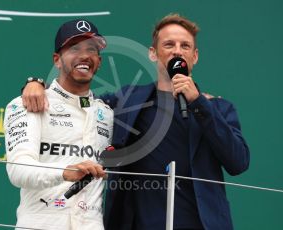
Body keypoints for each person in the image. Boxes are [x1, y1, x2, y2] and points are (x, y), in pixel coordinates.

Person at [21, 14, 250, 230]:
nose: (177, 52)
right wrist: (37, 83)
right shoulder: (127, 100)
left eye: (185, 46)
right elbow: (77, 99)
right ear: (153, 53)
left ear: (195, 56)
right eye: (169, 45)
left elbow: (238, 163)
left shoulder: (218, 108)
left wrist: (198, 103)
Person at [4, 19, 113, 230]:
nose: (84, 55)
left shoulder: (107, 113)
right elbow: (18, 170)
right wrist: (65, 171)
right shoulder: (29, 102)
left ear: (98, 61)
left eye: (91, 49)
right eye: (74, 48)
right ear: (57, 60)